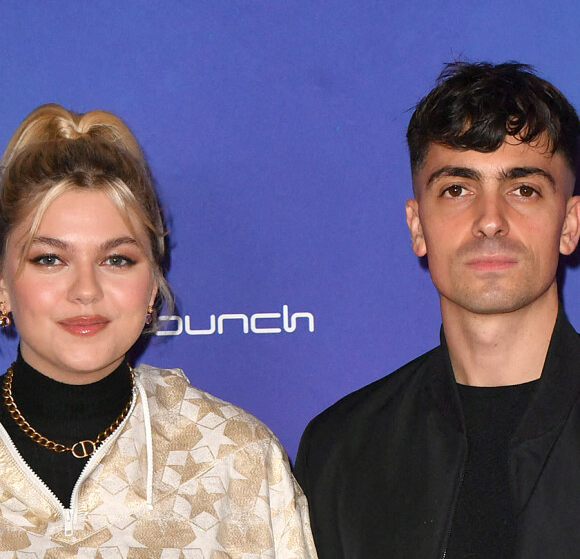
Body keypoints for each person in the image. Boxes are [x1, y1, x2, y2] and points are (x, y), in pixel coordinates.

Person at [0, 103, 317, 557]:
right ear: (3, 284)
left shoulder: (238, 459)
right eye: (50, 258)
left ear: (152, 285)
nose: (86, 290)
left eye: (117, 259)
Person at [294, 61, 580, 558]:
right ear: (417, 226)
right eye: (457, 189)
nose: (491, 220)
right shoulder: (342, 451)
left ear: (570, 223)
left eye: (524, 189)